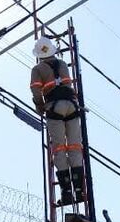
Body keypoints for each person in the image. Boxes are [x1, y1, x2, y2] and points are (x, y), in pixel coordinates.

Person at [29, 37, 85, 205]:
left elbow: (36, 90)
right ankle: (80, 191)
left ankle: (67, 193)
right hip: (72, 106)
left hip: (54, 107)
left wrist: (40, 106)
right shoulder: (62, 64)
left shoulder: (37, 69)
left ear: (39, 54)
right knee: (75, 147)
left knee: (59, 149)